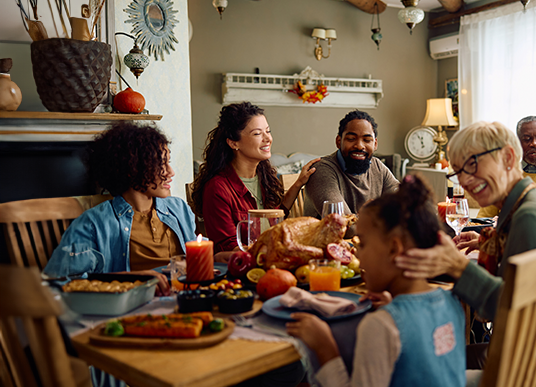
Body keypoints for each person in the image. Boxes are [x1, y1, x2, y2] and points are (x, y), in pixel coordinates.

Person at [394, 121, 536, 387]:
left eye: (472, 165)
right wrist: (487, 242)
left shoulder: (530, 218)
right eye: (458, 171)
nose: (465, 180)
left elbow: (517, 314)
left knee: (410, 368)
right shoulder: (524, 207)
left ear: (509, 158)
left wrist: (458, 267)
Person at [287, 175, 466, 387]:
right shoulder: (453, 303)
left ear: (394, 249)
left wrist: (324, 345)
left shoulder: (381, 326)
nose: (358, 256)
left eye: (361, 243)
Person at [44, 122, 195, 296]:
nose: (171, 172)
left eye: (167, 162)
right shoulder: (93, 223)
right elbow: (58, 281)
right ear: (132, 168)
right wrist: (128, 279)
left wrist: (216, 258)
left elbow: (196, 256)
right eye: (160, 164)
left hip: (186, 299)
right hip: (132, 309)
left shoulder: (179, 208)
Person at [191, 102, 318, 256]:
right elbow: (228, 248)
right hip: (241, 269)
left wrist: (299, 183)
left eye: (268, 131)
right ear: (233, 143)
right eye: (258, 134)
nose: (268, 139)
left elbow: (274, 217)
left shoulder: (264, 176)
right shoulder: (217, 188)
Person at [303, 110, 399, 221]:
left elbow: (404, 204)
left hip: (367, 237)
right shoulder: (322, 170)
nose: (359, 146)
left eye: (367, 140)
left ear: (375, 144)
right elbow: (340, 225)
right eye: (351, 139)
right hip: (326, 238)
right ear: (339, 141)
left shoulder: (377, 166)